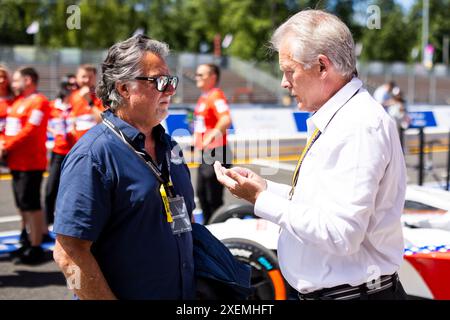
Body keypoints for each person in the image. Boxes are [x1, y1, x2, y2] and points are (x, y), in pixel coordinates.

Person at [214, 9, 408, 300]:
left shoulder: (357, 125)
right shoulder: (344, 117)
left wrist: (261, 199)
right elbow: (320, 206)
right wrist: (267, 189)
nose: (284, 82)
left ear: (322, 67)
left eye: (289, 70)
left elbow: (341, 234)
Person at [53, 35, 196, 299]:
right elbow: (68, 254)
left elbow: (185, 220)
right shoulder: (93, 155)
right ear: (124, 89)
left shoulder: (170, 147)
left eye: (171, 80)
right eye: (159, 81)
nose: (170, 90)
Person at [0, 67, 50, 264]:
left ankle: (36, 246)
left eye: (17, 80)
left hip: (31, 162)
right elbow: (10, 130)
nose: (13, 83)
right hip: (16, 162)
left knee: (32, 206)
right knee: (23, 206)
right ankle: (28, 241)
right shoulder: (18, 102)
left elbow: (30, 130)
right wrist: (4, 144)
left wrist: (6, 146)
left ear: (28, 80)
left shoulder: (40, 102)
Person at [193, 63, 232, 224]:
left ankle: (218, 233)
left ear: (212, 77)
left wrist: (212, 135)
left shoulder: (216, 96)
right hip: (207, 153)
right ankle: (209, 230)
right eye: (197, 74)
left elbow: (226, 119)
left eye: (201, 75)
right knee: (202, 195)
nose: (197, 78)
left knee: (212, 199)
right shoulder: (204, 97)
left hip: (217, 152)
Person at [44, 76, 77, 226]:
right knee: (51, 188)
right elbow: (43, 124)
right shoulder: (52, 106)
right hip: (59, 151)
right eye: (68, 85)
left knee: (75, 189)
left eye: (74, 85)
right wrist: (53, 133)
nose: (71, 88)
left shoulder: (77, 106)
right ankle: (48, 220)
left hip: (76, 152)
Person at [68, 64, 104, 142]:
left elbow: (103, 120)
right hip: (77, 143)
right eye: (83, 77)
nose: (87, 80)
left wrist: (90, 101)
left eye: (90, 77)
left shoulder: (101, 96)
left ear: (95, 78)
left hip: (96, 142)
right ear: (77, 78)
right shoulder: (73, 95)